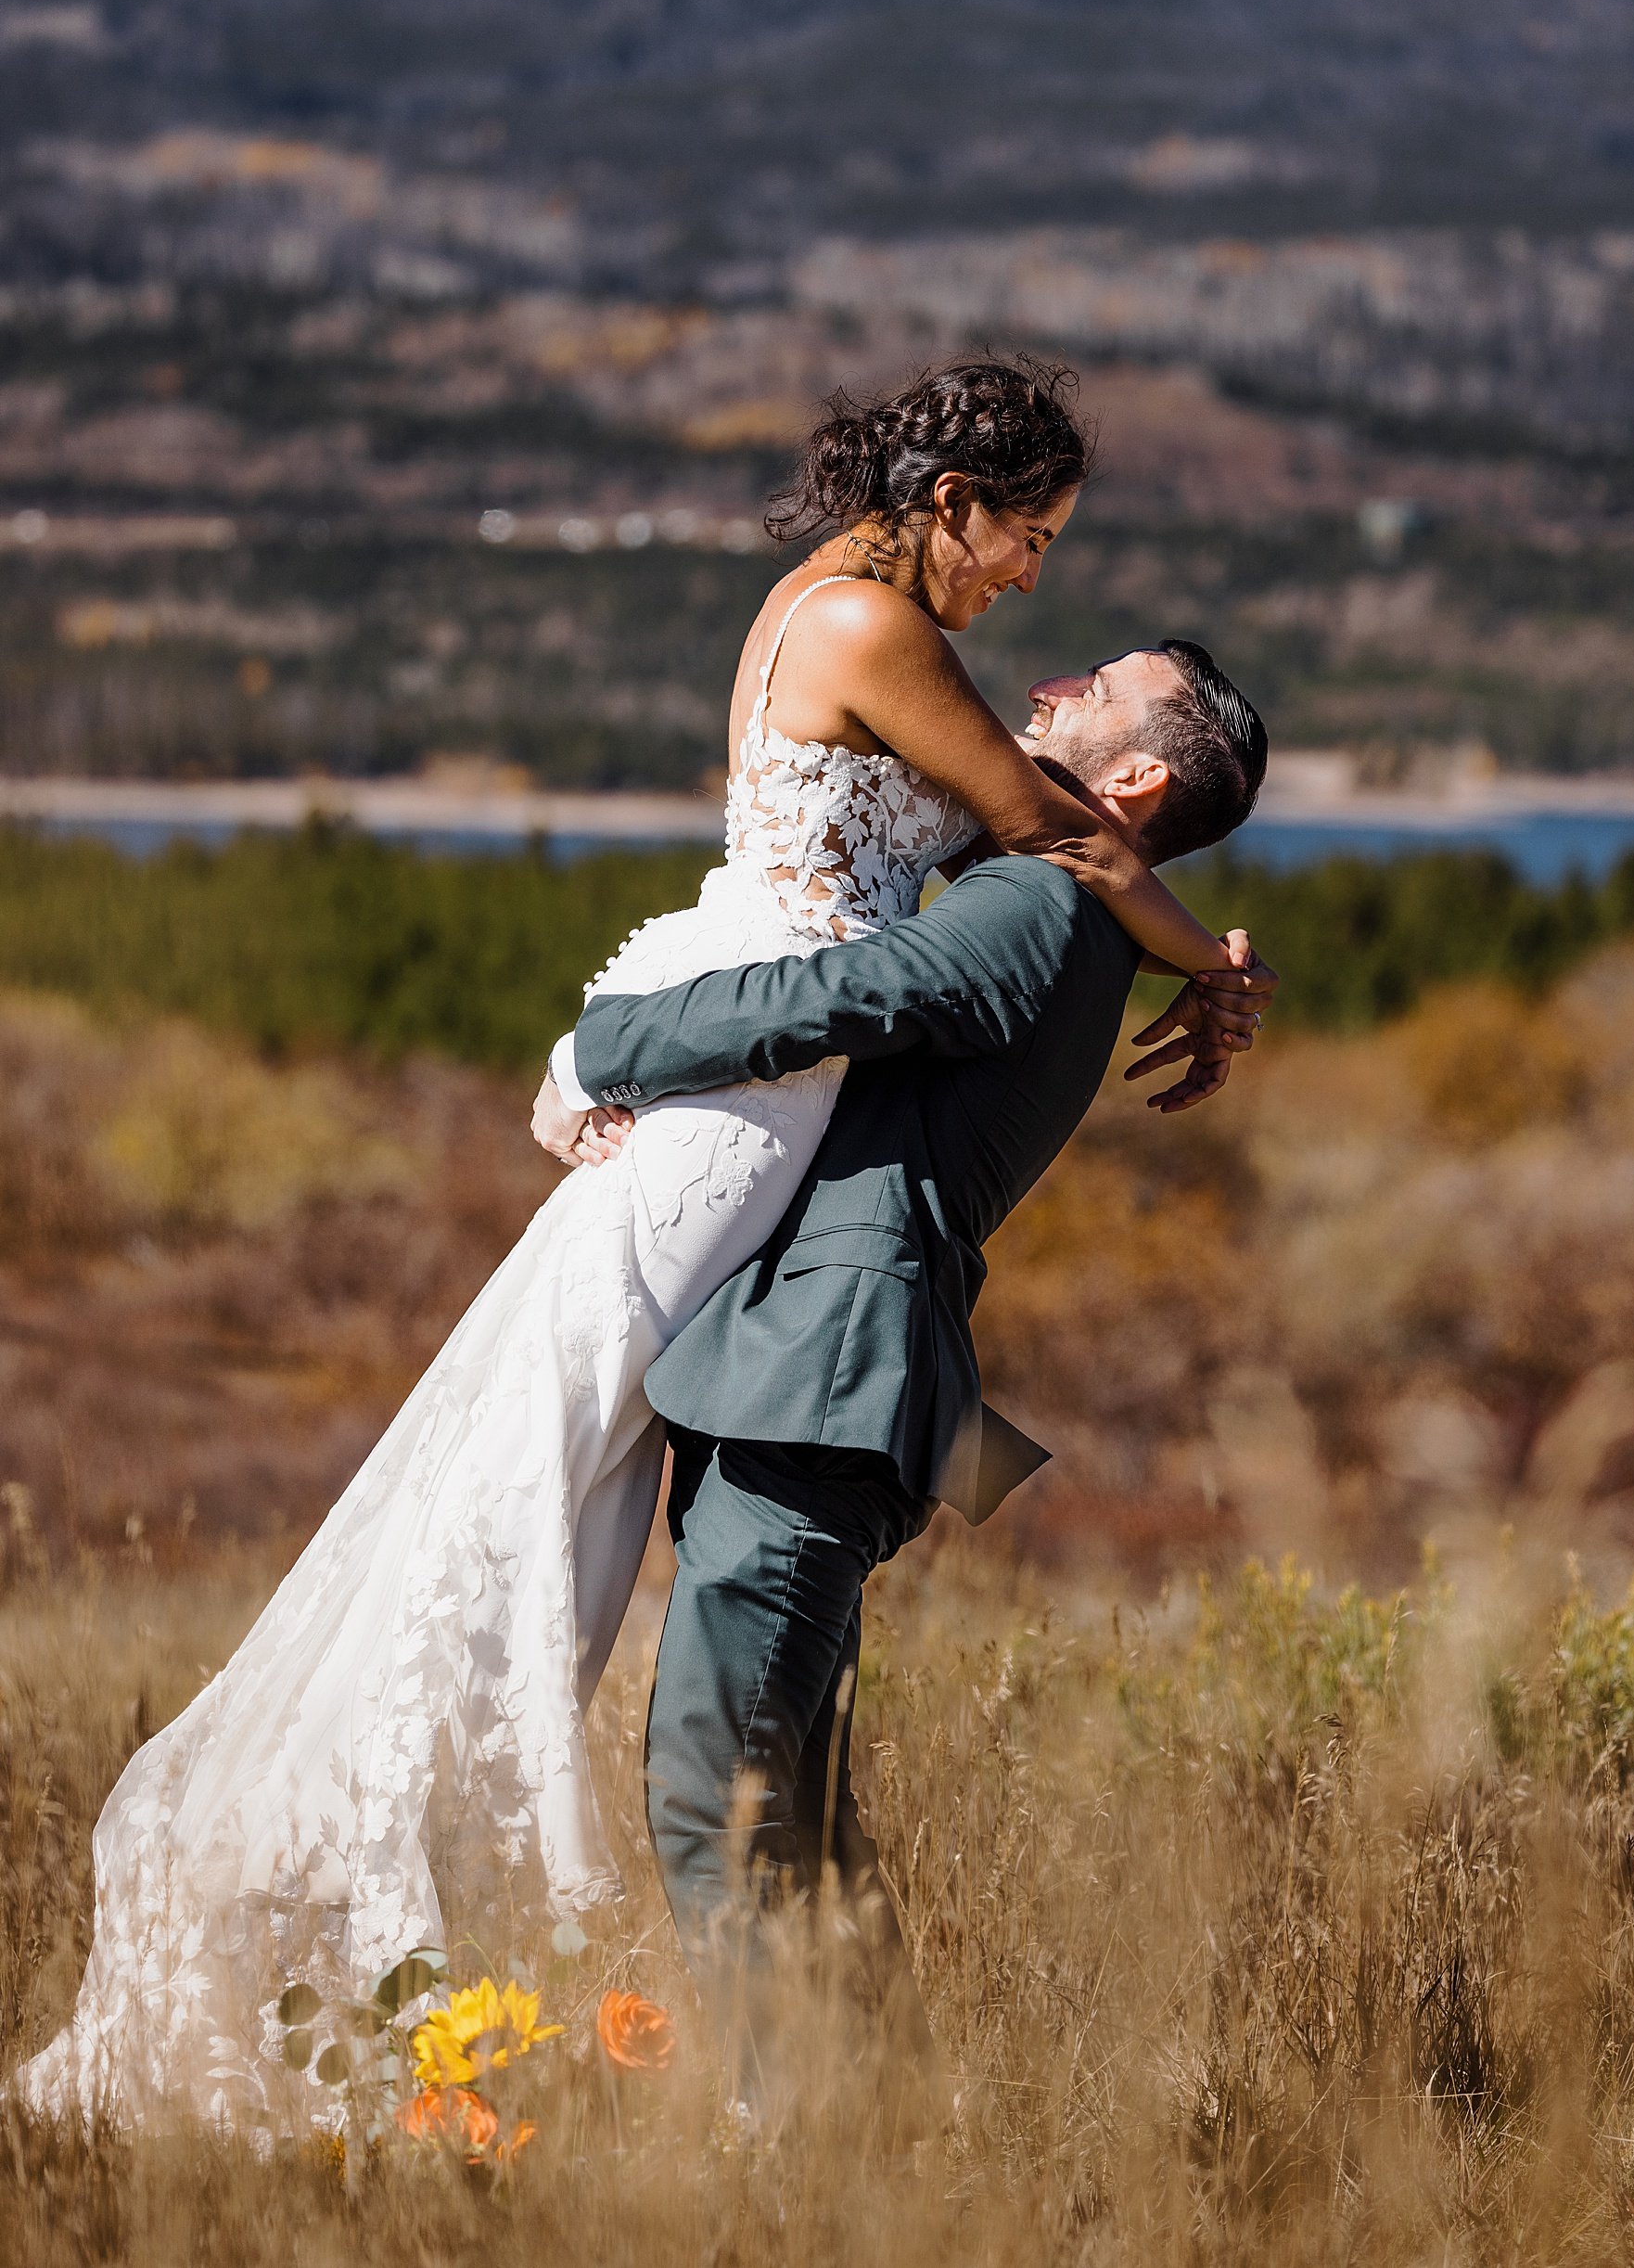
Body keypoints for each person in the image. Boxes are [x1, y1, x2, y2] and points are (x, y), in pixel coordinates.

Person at [19, 359, 1267, 2129]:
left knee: (639, 1628)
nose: (1039, 602)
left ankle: (772, 2115)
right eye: (1032, 541)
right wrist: (1213, 967)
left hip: (811, 1268)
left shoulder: (1022, 874)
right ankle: (417, 1921)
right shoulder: (888, 657)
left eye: (1067, 585)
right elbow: (1037, 840)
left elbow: (1001, 885)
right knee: (544, 1504)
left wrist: (1200, 964)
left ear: (1140, 769)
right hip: (760, 1167)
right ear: (952, 503)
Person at [545, 643, 1274, 2127]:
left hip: (828, 1373)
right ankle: (892, 2150)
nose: (1056, 682)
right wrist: (1216, 956)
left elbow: (858, 991)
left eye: (1100, 685)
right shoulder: (1074, 899)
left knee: (712, 1790)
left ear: (1130, 778)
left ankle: (787, 2147)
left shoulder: (1044, 903)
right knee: (796, 1811)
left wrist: (603, 1046)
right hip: (817, 1376)